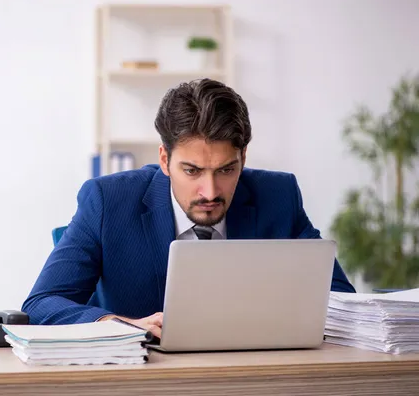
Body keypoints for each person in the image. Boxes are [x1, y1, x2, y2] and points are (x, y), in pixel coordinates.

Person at [22, 78, 356, 338]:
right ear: (165, 160)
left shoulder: (278, 195)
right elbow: (42, 304)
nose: (210, 191)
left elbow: (342, 302)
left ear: (243, 159)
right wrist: (118, 323)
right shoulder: (108, 201)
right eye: (192, 171)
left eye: (226, 170)